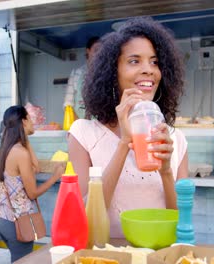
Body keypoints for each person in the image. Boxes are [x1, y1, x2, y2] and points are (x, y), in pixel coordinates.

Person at [68, 17, 188, 238]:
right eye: (134, 61)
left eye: (154, 62)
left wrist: (166, 171)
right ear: (113, 72)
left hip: (158, 254)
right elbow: (83, 215)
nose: (148, 70)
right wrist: (124, 144)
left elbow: (180, 219)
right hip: (105, 256)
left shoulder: (176, 139)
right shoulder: (83, 133)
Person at [0, 105, 65, 262]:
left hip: (3, 221)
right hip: (18, 224)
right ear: (24, 121)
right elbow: (32, 193)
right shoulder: (20, 153)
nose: (33, 123)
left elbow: (36, 166)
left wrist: (25, 136)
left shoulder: (6, 149)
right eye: (30, 119)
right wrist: (56, 176)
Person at [63, 36, 100, 119]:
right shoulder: (76, 74)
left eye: (102, 51)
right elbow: (68, 105)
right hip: (79, 126)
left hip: (101, 127)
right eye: (96, 50)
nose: (99, 54)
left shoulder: (107, 75)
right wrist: (80, 127)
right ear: (88, 51)